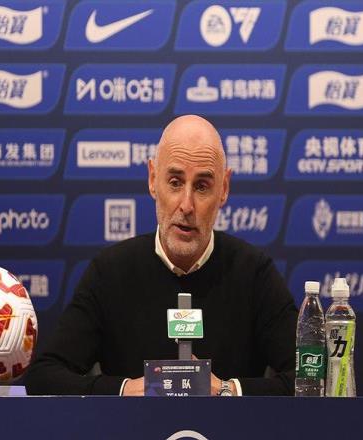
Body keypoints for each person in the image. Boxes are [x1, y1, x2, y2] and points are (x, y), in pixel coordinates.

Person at [25, 115, 297, 396]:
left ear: (224, 189)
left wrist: (228, 390)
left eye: (202, 186)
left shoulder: (254, 273)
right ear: (153, 179)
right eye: (175, 182)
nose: (187, 205)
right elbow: (44, 376)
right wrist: (126, 390)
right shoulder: (110, 272)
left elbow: (312, 376)